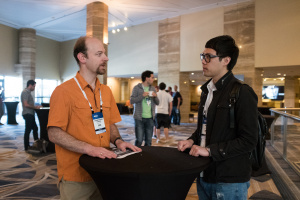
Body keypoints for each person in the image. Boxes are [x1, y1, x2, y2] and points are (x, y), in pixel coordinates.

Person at [47, 36, 141, 200]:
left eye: (104, 53)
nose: (106, 58)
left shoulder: (106, 91)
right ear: (82, 58)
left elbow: (109, 123)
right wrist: (89, 148)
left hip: (103, 171)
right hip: (76, 176)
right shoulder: (63, 91)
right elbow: (54, 133)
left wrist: (118, 141)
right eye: (99, 54)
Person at [177, 35, 258, 200]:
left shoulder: (242, 92)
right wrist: (192, 140)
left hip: (229, 178)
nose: (203, 61)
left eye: (209, 57)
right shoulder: (207, 90)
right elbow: (205, 128)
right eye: (203, 56)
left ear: (226, 60)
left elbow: (249, 140)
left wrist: (209, 150)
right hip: (205, 173)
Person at [130, 70, 159, 147]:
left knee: (148, 141)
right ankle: (136, 155)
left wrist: (155, 96)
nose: (153, 79)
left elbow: (157, 102)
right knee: (139, 140)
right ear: (147, 78)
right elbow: (132, 100)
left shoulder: (152, 88)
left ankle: (147, 157)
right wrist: (142, 96)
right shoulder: (137, 88)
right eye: (152, 77)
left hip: (150, 118)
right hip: (139, 118)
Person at [21, 80, 42, 151]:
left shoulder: (28, 93)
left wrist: (35, 106)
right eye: (34, 86)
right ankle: (26, 147)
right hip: (27, 114)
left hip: (30, 114)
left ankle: (37, 144)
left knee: (35, 128)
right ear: (30, 85)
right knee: (28, 130)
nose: (34, 88)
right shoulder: (25, 92)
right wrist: (35, 107)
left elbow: (29, 104)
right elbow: (26, 104)